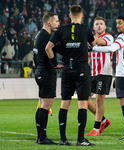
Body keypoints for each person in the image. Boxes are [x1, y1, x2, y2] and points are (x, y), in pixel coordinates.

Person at [45, 5, 96, 146]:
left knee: (64, 105)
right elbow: (93, 44)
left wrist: (55, 63)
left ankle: (63, 139)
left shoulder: (61, 29)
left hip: (67, 69)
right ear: (82, 15)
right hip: (81, 69)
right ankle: (80, 140)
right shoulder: (86, 29)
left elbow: (48, 47)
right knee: (82, 105)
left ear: (69, 15)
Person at [93, 15, 124, 140]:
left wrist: (93, 48)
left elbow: (112, 48)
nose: (117, 25)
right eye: (116, 23)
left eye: (120, 23)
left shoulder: (123, 36)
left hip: (123, 74)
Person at [33, 12, 64, 145]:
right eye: (56, 21)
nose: (58, 23)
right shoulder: (47, 37)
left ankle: (40, 136)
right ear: (49, 22)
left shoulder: (38, 35)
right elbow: (60, 49)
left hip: (39, 71)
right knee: (46, 105)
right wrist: (55, 64)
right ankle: (42, 138)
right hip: (46, 73)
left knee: (41, 105)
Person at [86, 16, 113, 136]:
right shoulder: (90, 41)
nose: (99, 26)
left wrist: (85, 38)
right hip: (92, 73)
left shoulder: (108, 37)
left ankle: (96, 129)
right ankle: (103, 120)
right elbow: (89, 57)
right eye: (97, 24)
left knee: (99, 100)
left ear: (105, 26)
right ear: (94, 27)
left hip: (104, 73)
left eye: (101, 24)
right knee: (84, 99)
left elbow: (100, 42)